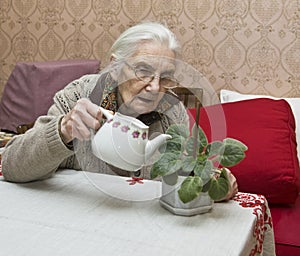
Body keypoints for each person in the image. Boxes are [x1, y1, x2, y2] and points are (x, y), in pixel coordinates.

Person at [1, 21, 237, 200]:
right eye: (143, 71)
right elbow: (12, 167)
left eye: (165, 77)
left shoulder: (172, 113)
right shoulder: (79, 95)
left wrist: (212, 184)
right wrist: (63, 130)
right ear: (115, 67)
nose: (155, 87)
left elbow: (183, 176)